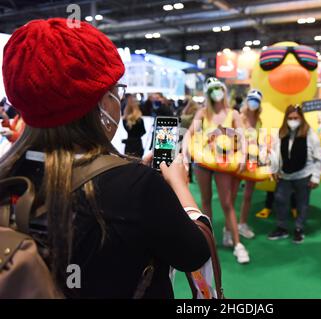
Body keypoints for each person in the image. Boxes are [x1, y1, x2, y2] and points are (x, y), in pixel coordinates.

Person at [0, 18, 210, 298]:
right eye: (115, 91)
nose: (118, 100)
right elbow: (193, 254)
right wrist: (179, 187)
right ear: (98, 103)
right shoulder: (136, 186)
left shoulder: (9, 176)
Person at [182, 77, 250, 264]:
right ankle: (208, 242)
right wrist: (185, 154)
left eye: (219, 88)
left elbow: (243, 137)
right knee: (205, 202)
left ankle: (237, 243)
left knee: (227, 203)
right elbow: (190, 133)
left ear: (224, 90)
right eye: (212, 89)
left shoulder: (233, 113)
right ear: (208, 93)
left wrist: (244, 155)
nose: (216, 92)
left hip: (224, 161)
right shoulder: (204, 113)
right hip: (203, 162)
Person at [268, 105, 321, 243]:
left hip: (304, 175)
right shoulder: (280, 133)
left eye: (296, 118)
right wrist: (274, 170)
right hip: (284, 175)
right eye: (290, 118)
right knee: (280, 200)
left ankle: (299, 229)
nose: (293, 121)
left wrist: (316, 176)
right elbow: (275, 154)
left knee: (302, 204)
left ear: (301, 118)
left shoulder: (310, 134)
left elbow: (318, 157)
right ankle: (282, 228)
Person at [231, 89, 263, 239]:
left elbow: (260, 139)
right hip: (239, 159)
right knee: (232, 195)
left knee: (248, 195)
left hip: (253, 160)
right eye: (251, 99)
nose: (253, 103)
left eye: (256, 101)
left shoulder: (259, 120)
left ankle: (242, 224)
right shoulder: (239, 118)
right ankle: (230, 226)